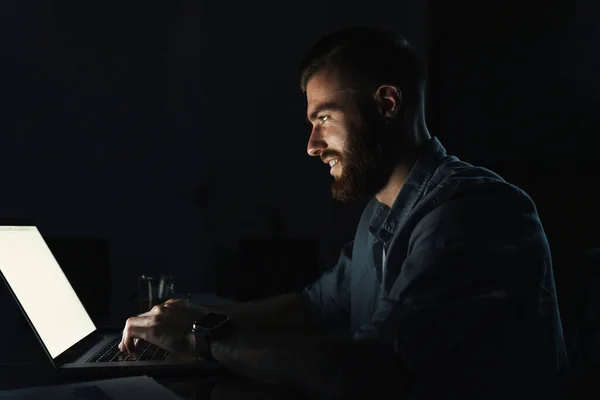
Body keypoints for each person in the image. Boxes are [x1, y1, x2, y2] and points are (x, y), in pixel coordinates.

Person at [119, 26, 568, 399]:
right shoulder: (382, 211)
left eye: (325, 119)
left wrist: (204, 335)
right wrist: (187, 316)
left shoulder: (471, 212)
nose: (312, 146)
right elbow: (315, 307)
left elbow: (376, 370)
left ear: (387, 104)